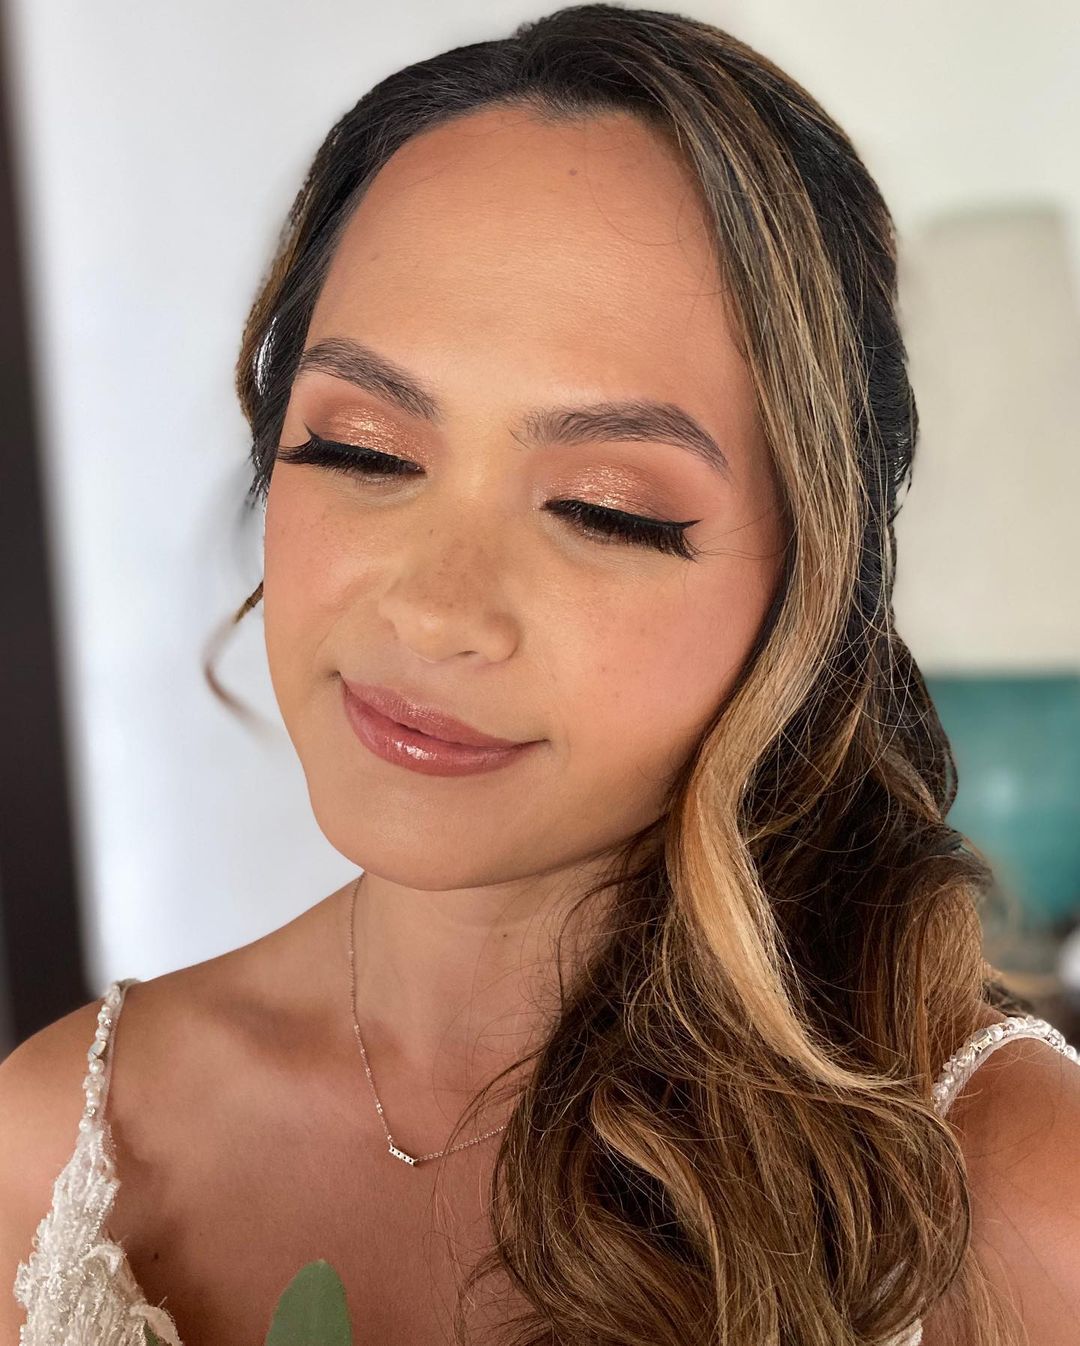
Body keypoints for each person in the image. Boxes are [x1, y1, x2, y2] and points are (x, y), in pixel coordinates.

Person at [2, 5, 1078, 1345]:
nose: (438, 609)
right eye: (363, 451)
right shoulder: (50, 1154)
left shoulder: (1006, 1201)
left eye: (604, 509)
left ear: (810, 581)